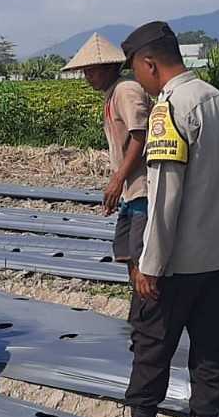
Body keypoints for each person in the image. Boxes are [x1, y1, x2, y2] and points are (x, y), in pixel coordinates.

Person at [118, 20, 219, 417]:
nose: (139, 80)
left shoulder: (170, 109)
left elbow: (164, 197)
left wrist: (150, 264)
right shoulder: (216, 99)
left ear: (150, 63)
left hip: (180, 260)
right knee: (209, 344)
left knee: (151, 339)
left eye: (137, 70)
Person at [60, 33, 152, 287]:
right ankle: (139, 301)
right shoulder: (113, 94)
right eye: (85, 72)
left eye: (92, 71)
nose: (87, 77)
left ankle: (147, 304)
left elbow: (140, 134)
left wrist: (118, 179)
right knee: (127, 253)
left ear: (111, 67)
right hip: (130, 190)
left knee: (142, 257)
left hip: (143, 187)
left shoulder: (126, 90)